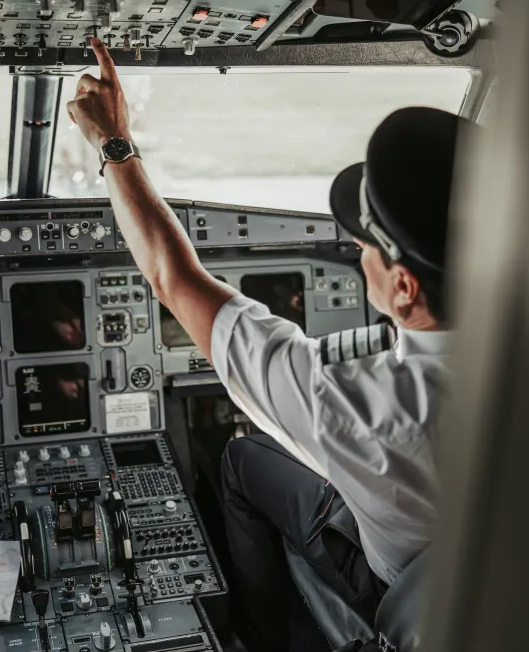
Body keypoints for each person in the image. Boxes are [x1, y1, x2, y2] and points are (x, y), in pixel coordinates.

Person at [67, 39, 473, 652]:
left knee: (240, 460)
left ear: (405, 288)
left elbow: (173, 279)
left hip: (417, 601)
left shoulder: (361, 411)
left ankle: (256, 637)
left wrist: (113, 143)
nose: (356, 253)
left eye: (367, 246)